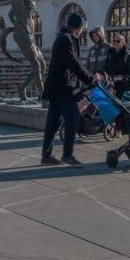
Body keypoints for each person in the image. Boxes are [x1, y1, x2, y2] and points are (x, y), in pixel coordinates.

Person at [41, 11, 100, 166]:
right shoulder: (65, 40)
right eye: (82, 28)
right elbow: (73, 64)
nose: (83, 31)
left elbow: (73, 64)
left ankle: (46, 156)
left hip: (58, 88)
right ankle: (67, 155)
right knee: (73, 118)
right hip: (62, 88)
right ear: (77, 28)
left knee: (53, 123)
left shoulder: (67, 38)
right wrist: (90, 78)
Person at [104, 33, 130, 97]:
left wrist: (120, 78)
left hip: (126, 88)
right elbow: (106, 69)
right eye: (114, 41)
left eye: (118, 41)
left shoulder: (128, 55)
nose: (115, 43)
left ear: (123, 42)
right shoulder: (110, 54)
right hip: (113, 88)